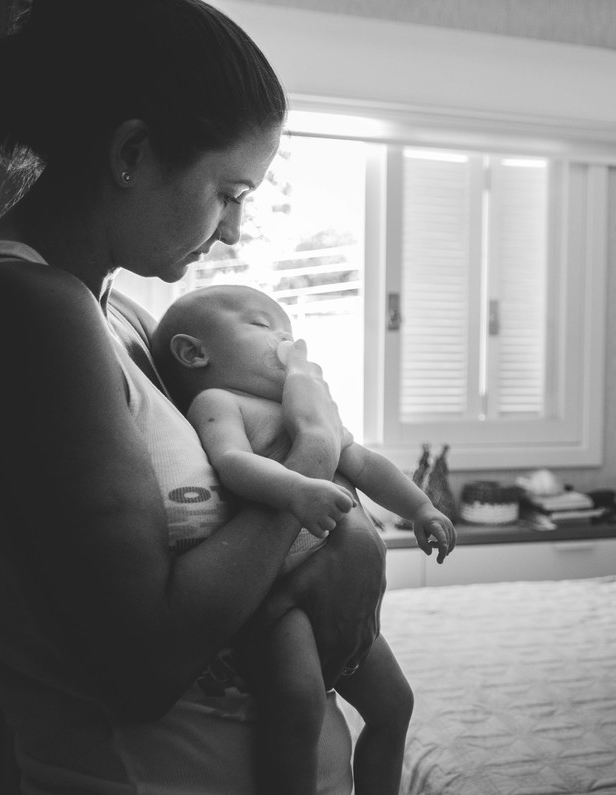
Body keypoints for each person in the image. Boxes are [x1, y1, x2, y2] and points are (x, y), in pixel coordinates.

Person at [0, 1, 377, 791]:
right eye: (228, 192)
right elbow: (143, 666)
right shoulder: (24, 311)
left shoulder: (117, 315)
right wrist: (313, 458)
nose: (234, 230)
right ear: (133, 153)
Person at [150, 284, 456, 794]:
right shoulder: (219, 402)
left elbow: (364, 464)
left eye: (288, 330)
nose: (285, 340)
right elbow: (232, 462)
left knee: (395, 704)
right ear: (194, 353)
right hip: (283, 596)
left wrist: (420, 507)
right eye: (262, 325)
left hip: (346, 598)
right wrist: (296, 489)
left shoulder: (306, 406)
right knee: (298, 704)